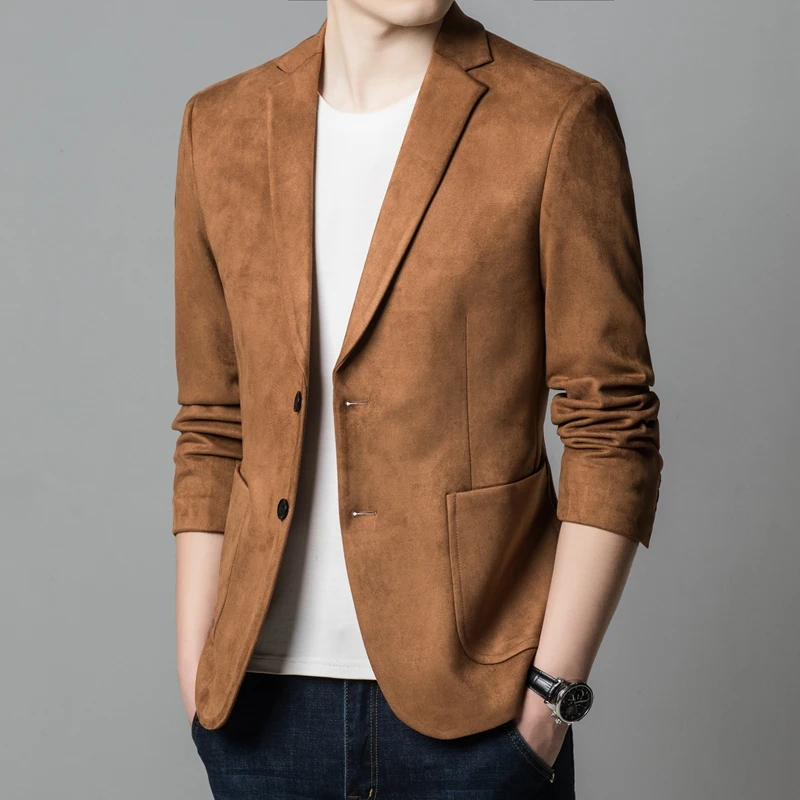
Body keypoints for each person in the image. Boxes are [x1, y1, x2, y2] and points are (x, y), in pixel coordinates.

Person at [171, 1, 664, 797]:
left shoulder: (555, 117)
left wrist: (551, 702)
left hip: (481, 717)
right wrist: (199, 668)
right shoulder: (220, 126)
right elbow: (213, 420)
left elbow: (612, 424)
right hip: (260, 716)